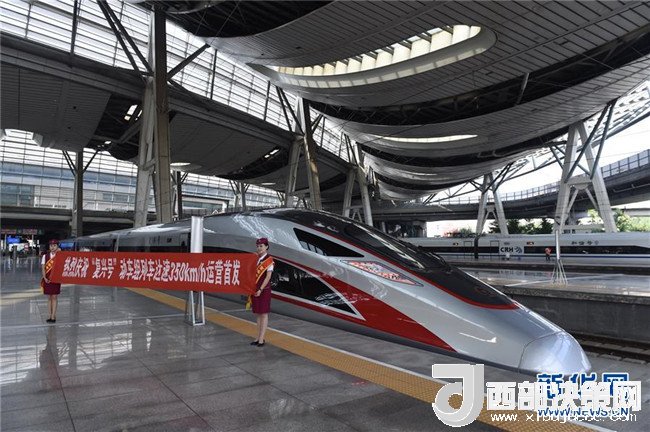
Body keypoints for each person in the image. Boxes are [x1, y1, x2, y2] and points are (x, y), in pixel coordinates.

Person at [249, 237, 274, 347]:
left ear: (266, 247)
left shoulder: (269, 260)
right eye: (258, 246)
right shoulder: (256, 259)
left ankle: (261, 339)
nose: (259, 248)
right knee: (258, 314)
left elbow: (268, 277)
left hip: (264, 290)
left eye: (261, 246)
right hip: (255, 289)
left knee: (263, 314)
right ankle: (257, 337)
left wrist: (260, 289)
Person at [41, 239, 61, 323]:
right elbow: (43, 268)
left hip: (56, 279)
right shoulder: (45, 256)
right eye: (51, 246)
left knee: (54, 297)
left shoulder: (60, 255)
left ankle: (53, 316)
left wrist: (60, 253)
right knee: (49, 297)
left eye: (54, 245)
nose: (52, 247)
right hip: (47, 279)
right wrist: (44, 277)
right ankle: (50, 315)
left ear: (57, 246)